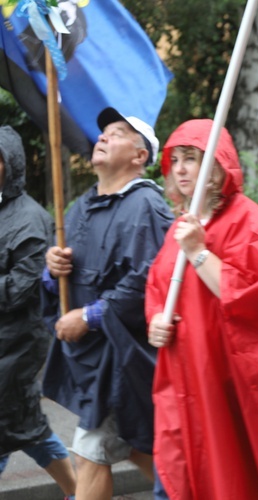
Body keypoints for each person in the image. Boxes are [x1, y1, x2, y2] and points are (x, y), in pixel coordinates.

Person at [146, 119, 258, 499]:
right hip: (185, 387)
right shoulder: (182, 225)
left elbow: (252, 295)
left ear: (217, 165)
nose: (181, 169)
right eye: (176, 160)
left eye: (192, 158)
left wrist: (198, 252)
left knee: (236, 479)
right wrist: (156, 320)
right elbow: (159, 288)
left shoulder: (246, 220)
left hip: (230, 388)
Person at [42, 108, 173, 499]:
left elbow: (150, 279)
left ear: (139, 156)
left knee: (91, 450)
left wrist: (91, 315)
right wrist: (51, 269)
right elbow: (63, 271)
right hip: (91, 356)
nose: (102, 137)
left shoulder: (146, 206)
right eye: (103, 133)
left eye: (116, 134)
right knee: (135, 446)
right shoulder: (81, 207)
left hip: (124, 354)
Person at [0, 125, 76, 498]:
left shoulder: (30, 219)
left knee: (17, 427)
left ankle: (81, 491)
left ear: (10, 165)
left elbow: (21, 288)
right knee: (25, 429)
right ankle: (80, 492)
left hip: (19, 344)